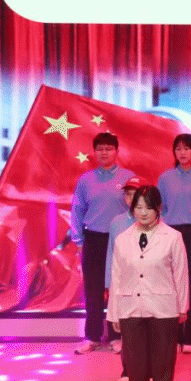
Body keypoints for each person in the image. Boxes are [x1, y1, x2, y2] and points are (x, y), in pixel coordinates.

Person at [107, 185, 189, 381]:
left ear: (159, 208)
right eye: (138, 207)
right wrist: (114, 313)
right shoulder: (123, 239)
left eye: (148, 207)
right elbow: (116, 277)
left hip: (164, 308)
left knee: (163, 365)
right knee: (136, 366)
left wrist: (182, 307)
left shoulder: (173, 237)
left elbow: (181, 274)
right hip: (130, 307)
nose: (143, 212)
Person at [71, 131, 136, 354]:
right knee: (93, 289)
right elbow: (77, 210)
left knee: (119, 288)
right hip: (93, 239)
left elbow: (137, 209)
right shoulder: (86, 180)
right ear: (94, 152)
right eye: (100, 149)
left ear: (117, 151)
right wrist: (78, 240)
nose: (104, 152)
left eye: (109, 148)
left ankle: (117, 336)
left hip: (121, 240)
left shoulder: (128, 177)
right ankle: (92, 337)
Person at [157, 133, 191, 355]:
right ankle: (172, 335)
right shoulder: (165, 178)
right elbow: (160, 208)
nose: (182, 153)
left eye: (186, 148)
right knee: (171, 282)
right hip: (170, 232)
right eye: (178, 149)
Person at [105, 176, 144, 381]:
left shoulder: (157, 220)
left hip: (148, 284)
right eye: (128, 194)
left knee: (147, 330)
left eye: (135, 194)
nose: (131, 198)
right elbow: (111, 254)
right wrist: (108, 282)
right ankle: (128, 370)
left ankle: (147, 371)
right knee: (127, 330)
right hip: (124, 284)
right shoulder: (117, 222)